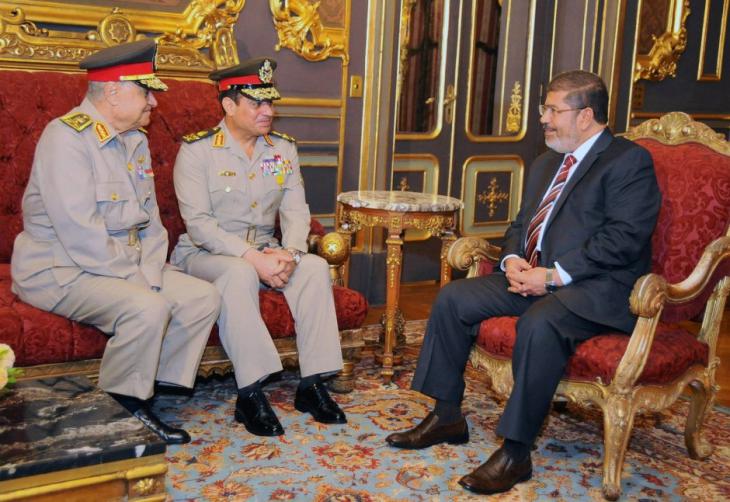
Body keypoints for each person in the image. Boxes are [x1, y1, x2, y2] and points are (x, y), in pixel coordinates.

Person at [385, 70, 661, 495]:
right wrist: (513, 259)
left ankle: (516, 452)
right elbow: (521, 223)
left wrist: (553, 275)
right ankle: (447, 415)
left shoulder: (628, 161)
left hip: (592, 287)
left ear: (585, 115)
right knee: (453, 299)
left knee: (540, 324)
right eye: (544, 109)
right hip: (532, 276)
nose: (544, 119)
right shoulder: (546, 160)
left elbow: (624, 239)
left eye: (553, 110)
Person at [10, 40, 221, 445]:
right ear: (113, 92)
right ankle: (122, 407)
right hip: (59, 268)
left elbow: (152, 222)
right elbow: (79, 233)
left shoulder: (133, 139)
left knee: (202, 297)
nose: (154, 104)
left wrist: (152, 267)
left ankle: (155, 386)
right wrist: (138, 279)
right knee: (146, 305)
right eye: (146, 92)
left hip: (120, 262)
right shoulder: (66, 138)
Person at [171, 58, 346, 437]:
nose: (268, 111)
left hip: (268, 250)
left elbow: (296, 210)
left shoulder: (282, 150)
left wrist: (293, 254)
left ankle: (312, 384)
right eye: (256, 104)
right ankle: (249, 393)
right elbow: (200, 226)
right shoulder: (197, 152)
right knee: (237, 274)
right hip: (207, 255)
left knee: (314, 268)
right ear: (229, 106)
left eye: (270, 103)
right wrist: (252, 259)